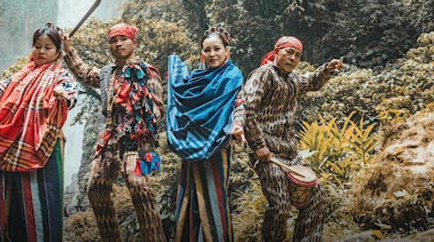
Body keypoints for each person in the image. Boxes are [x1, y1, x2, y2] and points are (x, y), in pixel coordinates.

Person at [0, 23, 76, 242]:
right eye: (38, 46)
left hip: (42, 148)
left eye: (48, 47)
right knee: (12, 202)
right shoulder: (24, 74)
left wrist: (63, 95)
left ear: (58, 51)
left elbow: (69, 92)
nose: (41, 51)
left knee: (40, 202)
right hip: (15, 146)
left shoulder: (61, 76)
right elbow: (2, 88)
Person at [62, 23, 166, 242]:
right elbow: (84, 73)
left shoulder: (147, 72)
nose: (118, 44)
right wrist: (69, 50)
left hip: (138, 139)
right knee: (95, 190)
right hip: (110, 138)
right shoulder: (107, 74)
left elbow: (158, 107)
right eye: (113, 40)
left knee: (138, 186)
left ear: (133, 43)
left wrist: (142, 130)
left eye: (123, 39)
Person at [242, 36, 343, 242]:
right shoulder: (263, 75)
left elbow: (313, 82)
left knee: (317, 196)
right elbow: (247, 109)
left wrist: (328, 69)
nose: (293, 58)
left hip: (290, 152)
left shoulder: (294, 79)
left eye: (297, 55)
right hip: (266, 152)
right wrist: (258, 145)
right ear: (277, 51)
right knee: (280, 204)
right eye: (289, 52)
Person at [166, 27, 246, 242]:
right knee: (190, 197)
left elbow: (239, 105)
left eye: (217, 49)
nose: (212, 54)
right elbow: (183, 104)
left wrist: (238, 125)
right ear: (202, 53)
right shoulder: (196, 78)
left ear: (227, 51)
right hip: (192, 146)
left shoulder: (232, 76)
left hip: (216, 146)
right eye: (207, 50)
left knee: (214, 199)